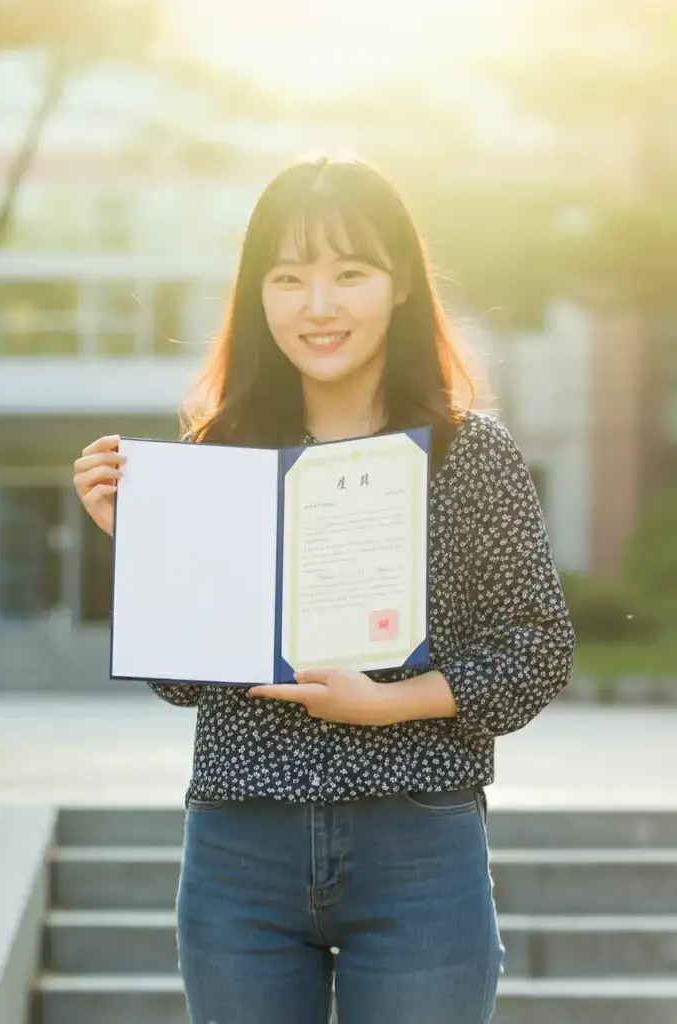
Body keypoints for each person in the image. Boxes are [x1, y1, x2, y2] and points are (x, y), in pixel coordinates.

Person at [71, 154, 575, 1024]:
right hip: (241, 848)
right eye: (289, 277)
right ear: (256, 295)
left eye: (351, 273)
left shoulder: (471, 454)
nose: (318, 305)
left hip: (418, 840)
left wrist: (390, 703)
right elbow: (183, 680)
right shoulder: (214, 460)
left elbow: (536, 649)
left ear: (402, 284)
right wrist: (145, 546)